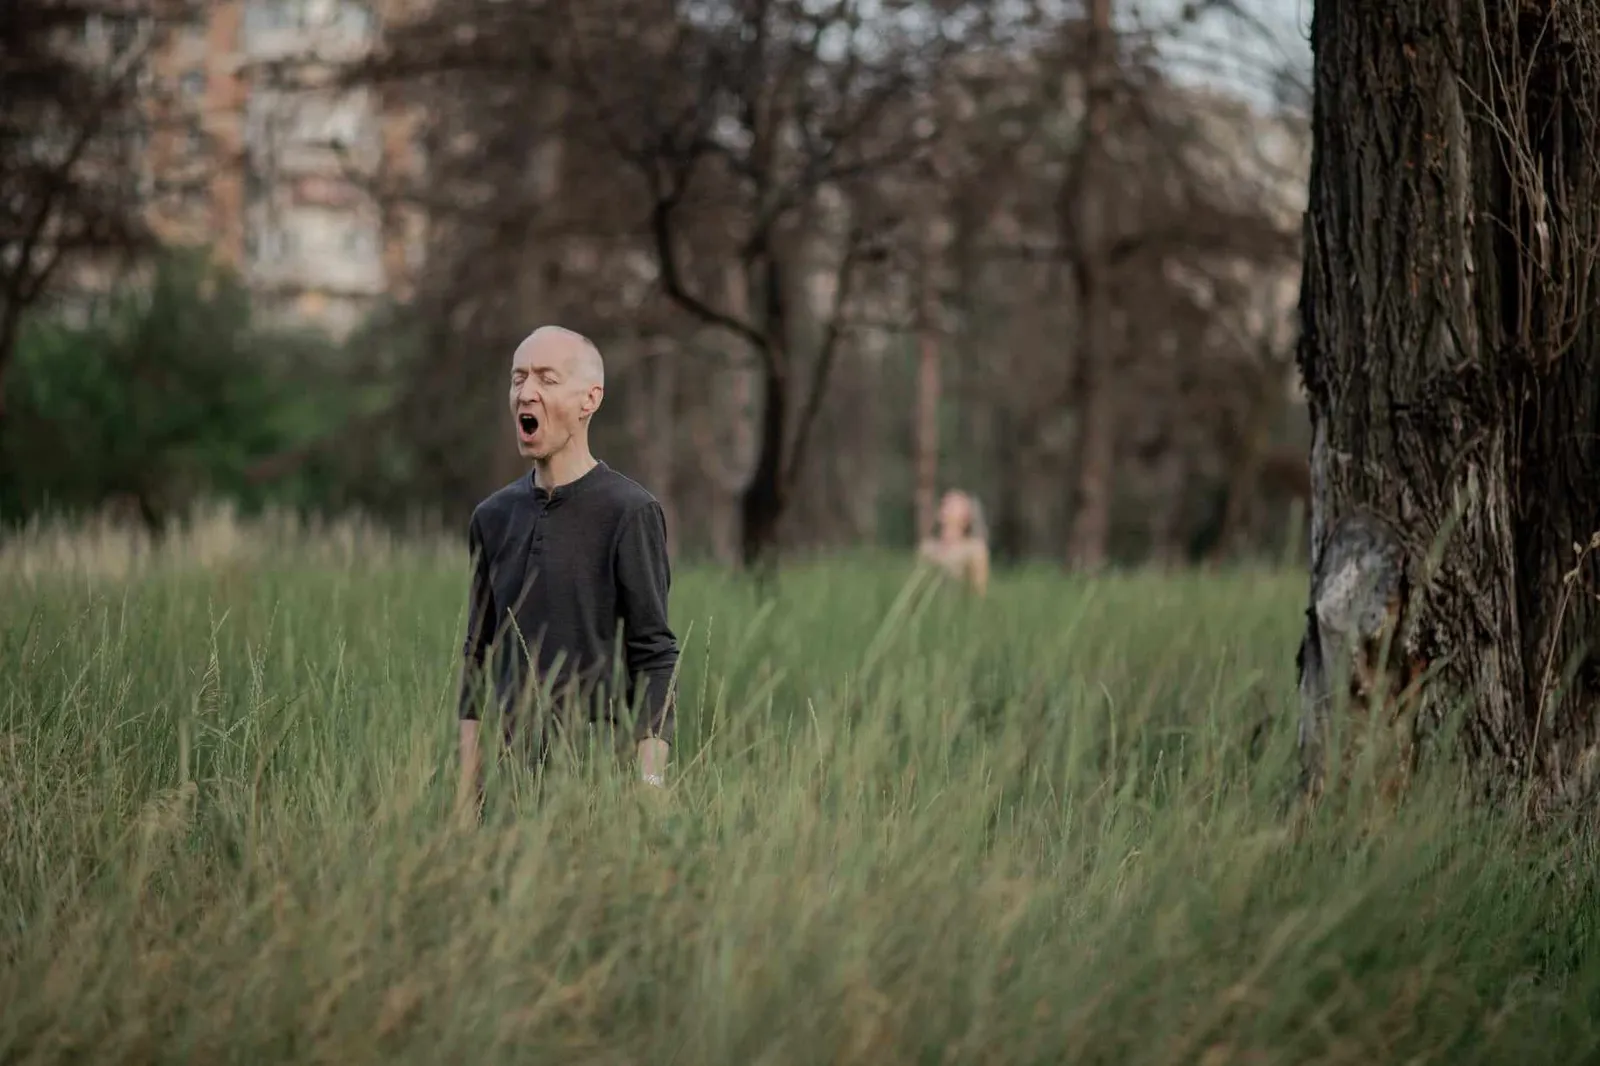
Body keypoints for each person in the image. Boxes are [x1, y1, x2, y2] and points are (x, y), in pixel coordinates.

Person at [455, 325, 678, 819]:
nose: (525, 392)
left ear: (589, 400)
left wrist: (650, 786)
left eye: (546, 379)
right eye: (518, 378)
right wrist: (463, 797)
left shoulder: (630, 511)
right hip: (507, 785)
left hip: (599, 783)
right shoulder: (491, 518)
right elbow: (475, 656)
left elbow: (655, 656)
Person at [917, 489, 991, 596]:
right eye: (945, 502)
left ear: (966, 516)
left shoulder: (975, 550)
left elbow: (979, 592)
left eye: (953, 504)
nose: (946, 506)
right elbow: (919, 589)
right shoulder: (927, 548)